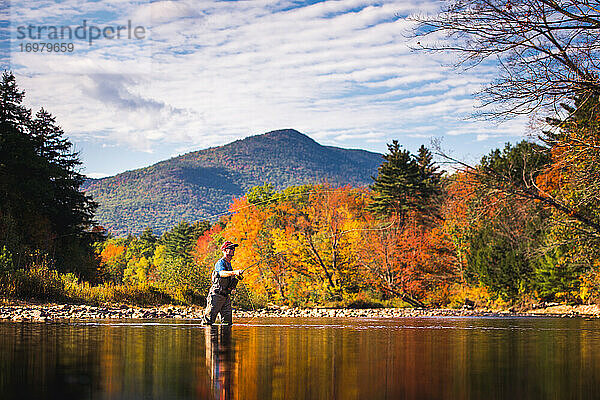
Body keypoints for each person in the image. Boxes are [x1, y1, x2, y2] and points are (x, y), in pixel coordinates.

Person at [202, 241, 243, 325]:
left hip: (226, 296)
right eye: (231, 248)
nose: (233, 250)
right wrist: (234, 272)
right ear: (224, 250)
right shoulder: (220, 262)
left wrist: (237, 277)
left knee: (227, 323)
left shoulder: (229, 264)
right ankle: (208, 336)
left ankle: (225, 338)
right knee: (208, 322)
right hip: (216, 295)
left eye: (233, 248)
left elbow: (229, 277)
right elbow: (222, 273)